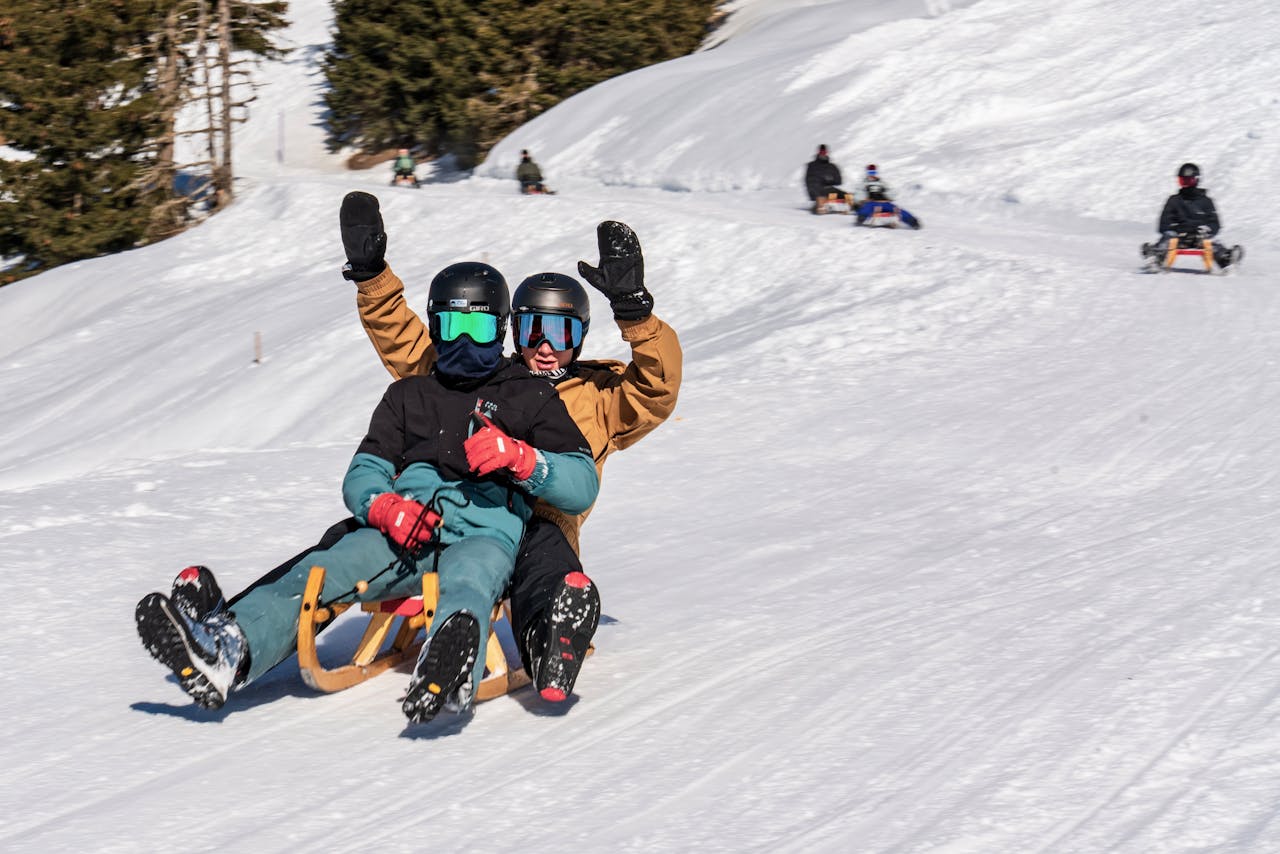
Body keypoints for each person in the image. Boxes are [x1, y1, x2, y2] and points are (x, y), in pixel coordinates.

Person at [135, 262, 600, 724]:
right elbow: (364, 470)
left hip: (484, 532)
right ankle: (228, 649)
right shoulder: (408, 396)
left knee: (470, 579)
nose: (462, 340)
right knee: (323, 568)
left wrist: (522, 459)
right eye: (450, 325)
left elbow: (581, 483)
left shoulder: (529, 397)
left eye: (476, 327)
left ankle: (452, 661)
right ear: (434, 326)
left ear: (499, 329)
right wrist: (382, 505)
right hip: (404, 531)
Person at [340, 190, 682, 704]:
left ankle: (553, 636)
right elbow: (413, 348)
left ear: (580, 337)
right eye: (532, 329)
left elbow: (657, 389)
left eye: (560, 332)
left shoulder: (600, 396)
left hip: (545, 519)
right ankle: (281, 608)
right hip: (471, 510)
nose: (544, 346)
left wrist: (635, 312)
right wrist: (372, 277)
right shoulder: (485, 378)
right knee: (359, 529)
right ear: (512, 330)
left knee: (544, 549)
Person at [1141, 162, 1242, 269]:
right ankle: (1155, 257)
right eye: (1182, 181)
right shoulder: (1174, 200)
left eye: (1188, 181)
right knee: (1168, 238)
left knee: (1210, 241)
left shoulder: (1206, 201)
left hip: (1199, 237)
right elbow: (1164, 223)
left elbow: (1215, 223)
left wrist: (1206, 230)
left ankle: (1226, 259)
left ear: (1196, 180)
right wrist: (1176, 229)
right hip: (1178, 236)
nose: (1185, 185)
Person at [854, 163, 921, 229]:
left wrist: (886, 192)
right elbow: (859, 194)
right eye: (870, 173)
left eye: (873, 173)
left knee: (897, 210)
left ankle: (913, 221)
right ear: (867, 173)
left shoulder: (882, 183)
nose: (872, 175)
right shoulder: (864, 183)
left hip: (884, 202)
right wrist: (863, 199)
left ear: (876, 173)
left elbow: (892, 193)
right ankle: (861, 219)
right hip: (872, 202)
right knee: (867, 208)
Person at [804, 144, 852, 212]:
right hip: (818, 192)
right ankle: (822, 206)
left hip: (830, 191)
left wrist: (830, 180)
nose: (823, 154)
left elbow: (839, 181)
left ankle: (850, 207)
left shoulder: (832, 166)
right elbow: (810, 182)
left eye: (824, 152)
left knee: (848, 196)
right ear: (818, 152)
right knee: (823, 197)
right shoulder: (812, 166)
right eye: (821, 152)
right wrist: (823, 182)